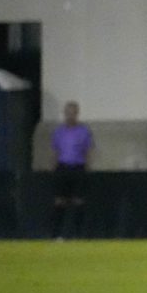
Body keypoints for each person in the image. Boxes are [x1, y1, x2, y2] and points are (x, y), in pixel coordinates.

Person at [50, 101, 93, 239]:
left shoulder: (84, 131)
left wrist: (87, 168)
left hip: (78, 167)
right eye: (67, 113)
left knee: (78, 201)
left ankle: (77, 234)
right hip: (63, 167)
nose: (70, 116)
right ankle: (57, 234)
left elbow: (88, 151)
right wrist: (53, 168)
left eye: (73, 113)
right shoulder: (58, 132)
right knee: (59, 201)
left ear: (77, 114)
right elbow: (55, 152)